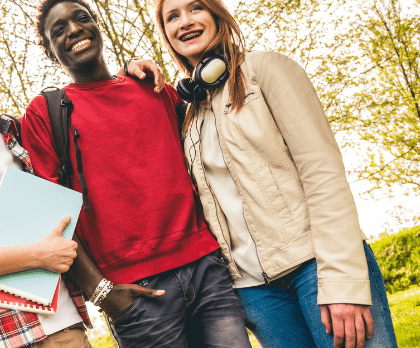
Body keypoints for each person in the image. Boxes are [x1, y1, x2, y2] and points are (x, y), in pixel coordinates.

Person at [0, 11, 166, 348]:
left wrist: (126, 76)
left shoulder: (24, 131)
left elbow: (98, 128)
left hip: (63, 325)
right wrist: (38, 255)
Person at [152, 0, 399, 347]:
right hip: (256, 293)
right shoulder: (191, 113)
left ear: (216, 14)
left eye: (195, 8)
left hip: (317, 267)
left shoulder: (265, 69)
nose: (185, 22)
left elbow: (321, 171)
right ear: (166, 33)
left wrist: (342, 279)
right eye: (172, 17)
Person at [20, 0, 255, 346]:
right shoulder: (46, 112)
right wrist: (102, 294)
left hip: (207, 270)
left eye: (81, 18)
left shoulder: (152, 87)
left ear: (96, 26)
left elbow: (207, 149)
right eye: (58, 30)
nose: (73, 29)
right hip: (136, 296)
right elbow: (51, 216)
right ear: (51, 52)